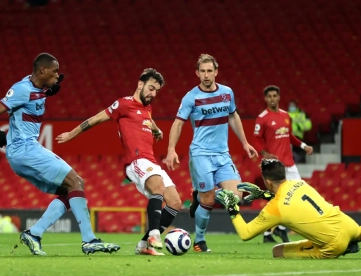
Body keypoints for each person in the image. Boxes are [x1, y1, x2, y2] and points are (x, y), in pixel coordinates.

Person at [0, 53, 120, 255]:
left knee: (69, 190)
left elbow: (30, 99)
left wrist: (45, 91)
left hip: (21, 152)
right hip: (25, 150)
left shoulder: (35, 89)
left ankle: (34, 233)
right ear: (42, 70)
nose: (58, 75)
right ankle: (89, 240)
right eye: (55, 71)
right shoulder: (22, 89)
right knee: (76, 181)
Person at [56, 68, 182, 256]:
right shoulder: (123, 104)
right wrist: (70, 135)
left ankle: (144, 245)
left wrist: (157, 130)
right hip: (136, 160)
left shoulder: (147, 108)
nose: (153, 93)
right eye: (151, 88)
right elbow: (95, 119)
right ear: (140, 84)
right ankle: (155, 234)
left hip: (151, 160)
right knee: (158, 187)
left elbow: (148, 119)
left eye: (156, 91)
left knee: (175, 202)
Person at [165, 54, 258, 252]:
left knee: (236, 197)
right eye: (203, 71)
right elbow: (178, 123)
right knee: (209, 200)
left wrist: (245, 143)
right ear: (197, 73)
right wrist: (171, 149)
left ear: (216, 72)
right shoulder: (191, 97)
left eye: (210, 71)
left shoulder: (227, 93)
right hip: (200, 154)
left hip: (223, 155)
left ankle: (199, 196)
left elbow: (233, 116)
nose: (206, 75)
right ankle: (199, 240)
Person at [216, 159, 361, 259]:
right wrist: (263, 194)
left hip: (332, 245)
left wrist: (232, 208)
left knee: (276, 251)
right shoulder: (299, 182)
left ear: (268, 181)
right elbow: (289, 198)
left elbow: (245, 233)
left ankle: (345, 248)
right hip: (347, 223)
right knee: (358, 231)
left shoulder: (275, 208)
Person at [252, 85, 313, 243]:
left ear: (279, 97)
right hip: (274, 165)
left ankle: (274, 230)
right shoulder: (262, 118)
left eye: (275, 96)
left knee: (299, 192)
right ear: (266, 99)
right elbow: (256, 139)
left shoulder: (286, 116)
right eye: (269, 96)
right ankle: (272, 231)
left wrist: (303, 146)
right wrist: (265, 154)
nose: (272, 98)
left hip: (289, 163)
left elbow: (290, 136)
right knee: (277, 198)